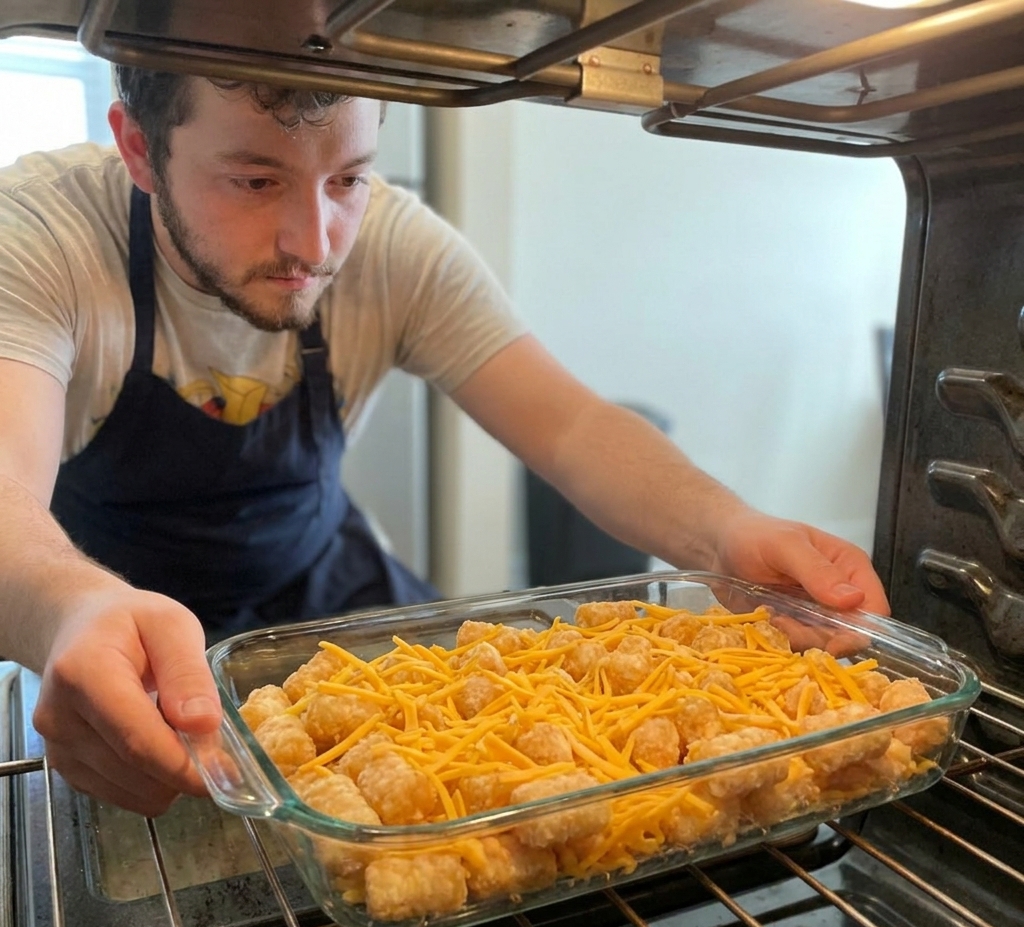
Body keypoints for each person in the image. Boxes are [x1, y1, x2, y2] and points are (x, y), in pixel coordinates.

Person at [0, 68, 889, 818]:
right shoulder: (44, 238)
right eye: (254, 181)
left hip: (330, 602)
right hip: (120, 643)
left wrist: (723, 532)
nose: (314, 243)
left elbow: (573, 427)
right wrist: (70, 610)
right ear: (139, 148)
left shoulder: (394, 245)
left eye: (348, 178)